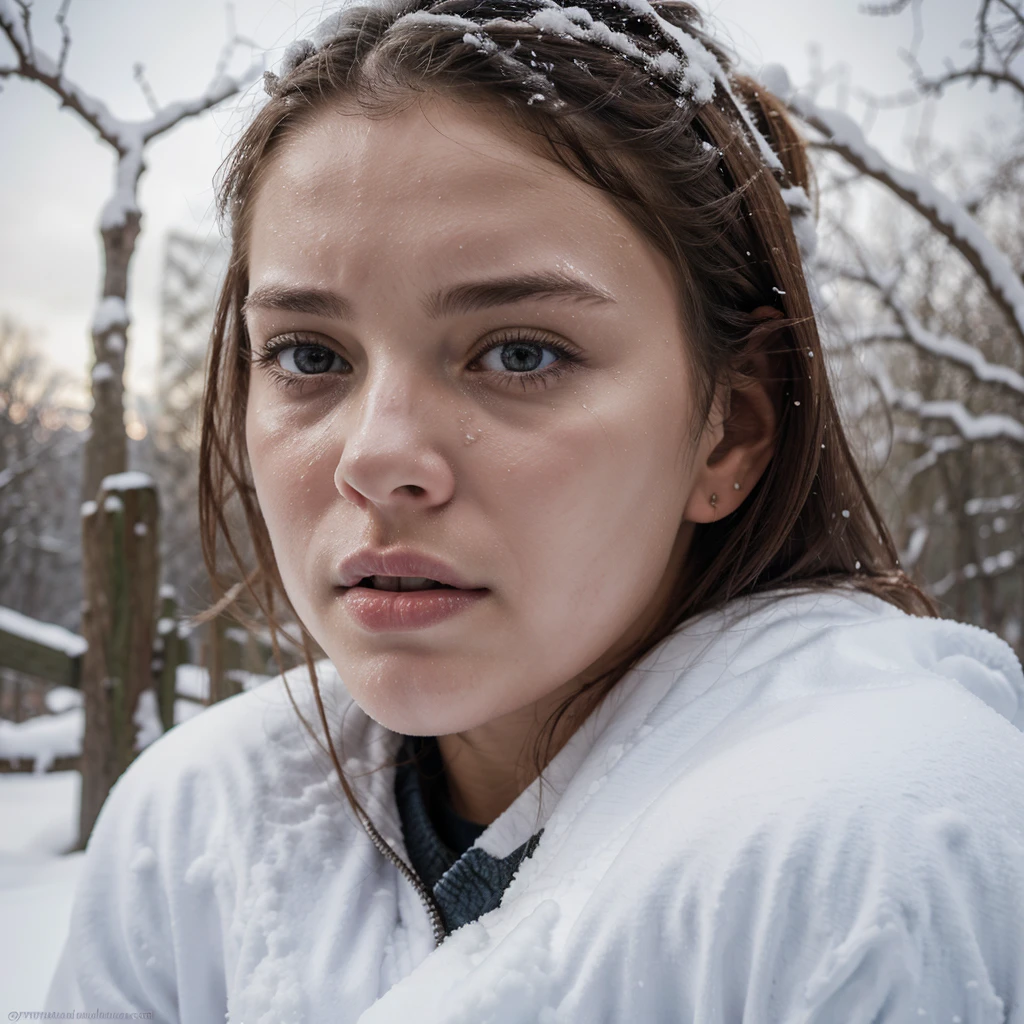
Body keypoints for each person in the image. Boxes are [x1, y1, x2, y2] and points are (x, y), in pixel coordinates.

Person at [46, 0, 1024, 1020]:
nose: (376, 459)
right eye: (308, 355)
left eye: (520, 353)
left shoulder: (878, 851)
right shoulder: (193, 828)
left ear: (729, 429)